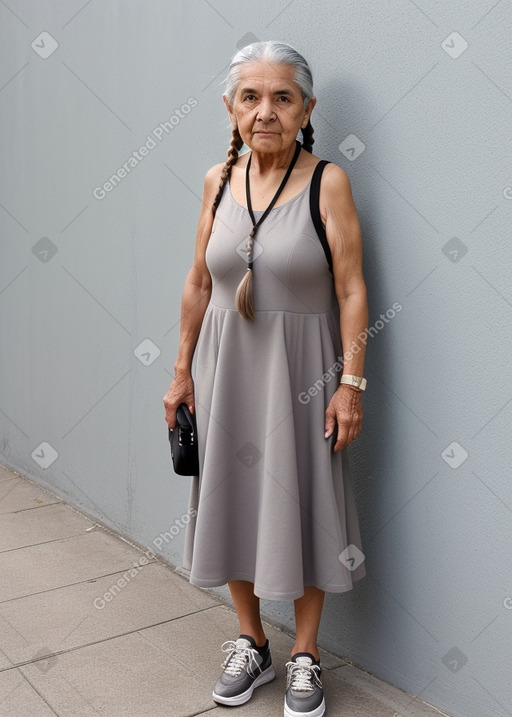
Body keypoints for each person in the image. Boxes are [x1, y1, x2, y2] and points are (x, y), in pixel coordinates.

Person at [163, 40, 368, 717]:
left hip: (303, 372)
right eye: (250, 97)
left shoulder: (326, 181)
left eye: (283, 97)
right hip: (226, 372)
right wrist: (180, 372)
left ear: (307, 107)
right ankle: (251, 639)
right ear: (230, 109)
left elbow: (351, 289)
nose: (266, 111)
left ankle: (306, 651)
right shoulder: (215, 183)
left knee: (305, 500)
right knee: (232, 498)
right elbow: (198, 281)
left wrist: (351, 383)